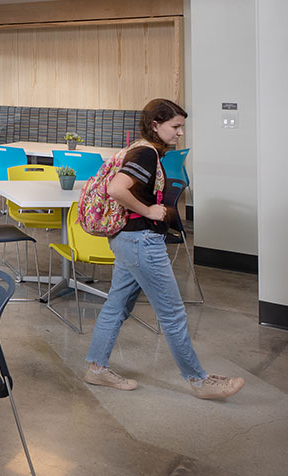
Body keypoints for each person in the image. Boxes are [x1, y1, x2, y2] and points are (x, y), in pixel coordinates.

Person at [83, 98, 243, 400]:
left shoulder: (143, 150)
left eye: (182, 127)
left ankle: (96, 368)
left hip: (128, 241)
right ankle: (199, 380)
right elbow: (116, 189)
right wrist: (148, 210)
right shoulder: (145, 153)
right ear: (155, 125)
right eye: (176, 126)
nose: (180, 133)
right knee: (172, 314)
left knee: (117, 306)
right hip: (141, 242)